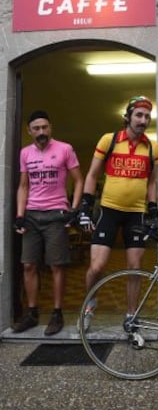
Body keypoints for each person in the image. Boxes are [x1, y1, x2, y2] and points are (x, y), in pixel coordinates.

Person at [77, 95, 158, 341]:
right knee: (97, 266)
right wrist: (85, 206)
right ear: (128, 116)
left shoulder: (152, 148)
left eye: (147, 116)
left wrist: (153, 207)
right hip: (109, 210)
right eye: (139, 115)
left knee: (135, 268)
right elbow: (92, 175)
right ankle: (90, 302)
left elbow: (152, 181)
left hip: (136, 213)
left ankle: (131, 316)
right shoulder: (109, 140)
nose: (143, 120)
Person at [13, 110, 83, 335]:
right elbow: (24, 185)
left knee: (56, 265)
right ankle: (32, 313)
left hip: (56, 214)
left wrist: (73, 209)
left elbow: (79, 180)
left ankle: (57, 313)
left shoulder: (65, 149)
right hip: (32, 215)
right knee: (29, 265)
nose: (41, 132)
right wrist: (19, 215)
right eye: (36, 128)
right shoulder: (25, 153)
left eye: (45, 127)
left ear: (50, 128)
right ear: (29, 131)